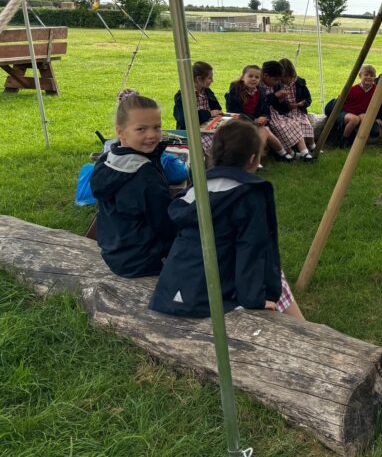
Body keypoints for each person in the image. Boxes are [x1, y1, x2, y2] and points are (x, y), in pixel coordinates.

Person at [150, 119, 304, 320]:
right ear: (252, 159)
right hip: (210, 298)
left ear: (213, 155)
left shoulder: (195, 189)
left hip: (172, 290)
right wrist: (254, 299)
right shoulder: (249, 194)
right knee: (278, 279)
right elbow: (252, 249)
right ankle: (306, 332)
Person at [90, 90, 176, 278]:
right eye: (141, 129)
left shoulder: (107, 159)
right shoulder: (145, 175)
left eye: (157, 127)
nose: (152, 135)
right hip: (142, 259)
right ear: (120, 132)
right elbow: (165, 222)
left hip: (114, 251)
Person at [225, 64, 289, 164]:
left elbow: (265, 109)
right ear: (242, 77)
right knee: (264, 131)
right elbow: (234, 113)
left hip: (256, 122)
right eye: (250, 76)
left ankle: (276, 155)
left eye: (257, 77)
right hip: (241, 122)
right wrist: (254, 120)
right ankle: (281, 154)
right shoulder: (234, 92)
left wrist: (264, 117)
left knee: (264, 129)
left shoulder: (260, 91)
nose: (253, 79)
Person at [261, 60, 314, 161]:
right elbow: (263, 102)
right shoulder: (260, 87)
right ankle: (290, 153)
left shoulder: (275, 85)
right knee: (279, 127)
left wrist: (281, 101)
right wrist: (276, 96)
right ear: (265, 76)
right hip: (267, 114)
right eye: (276, 80)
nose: (278, 82)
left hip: (277, 113)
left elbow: (278, 104)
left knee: (293, 123)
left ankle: (305, 152)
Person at [172, 61, 223, 156]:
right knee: (209, 143)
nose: (212, 81)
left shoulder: (207, 91)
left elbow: (217, 108)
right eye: (209, 78)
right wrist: (209, 114)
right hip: (193, 132)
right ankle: (209, 168)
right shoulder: (183, 96)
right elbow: (185, 119)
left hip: (210, 128)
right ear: (199, 79)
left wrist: (217, 113)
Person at [324, 64, 378, 147]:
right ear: (360, 76)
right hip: (344, 111)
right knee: (354, 119)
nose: (369, 77)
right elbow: (338, 102)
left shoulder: (377, 90)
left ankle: (360, 142)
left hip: (360, 112)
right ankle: (343, 141)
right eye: (366, 75)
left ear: (375, 77)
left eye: (371, 75)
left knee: (365, 118)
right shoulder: (352, 90)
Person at [279, 57, 316, 152]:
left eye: (288, 78)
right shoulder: (278, 85)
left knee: (306, 124)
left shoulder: (299, 83)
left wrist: (302, 104)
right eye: (283, 78)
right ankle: (297, 148)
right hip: (285, 112)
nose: (286, 80)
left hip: (299, 111)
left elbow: (308, 99)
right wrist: (287, 105)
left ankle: (312, 145)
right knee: (293, 125)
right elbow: (277, 103)